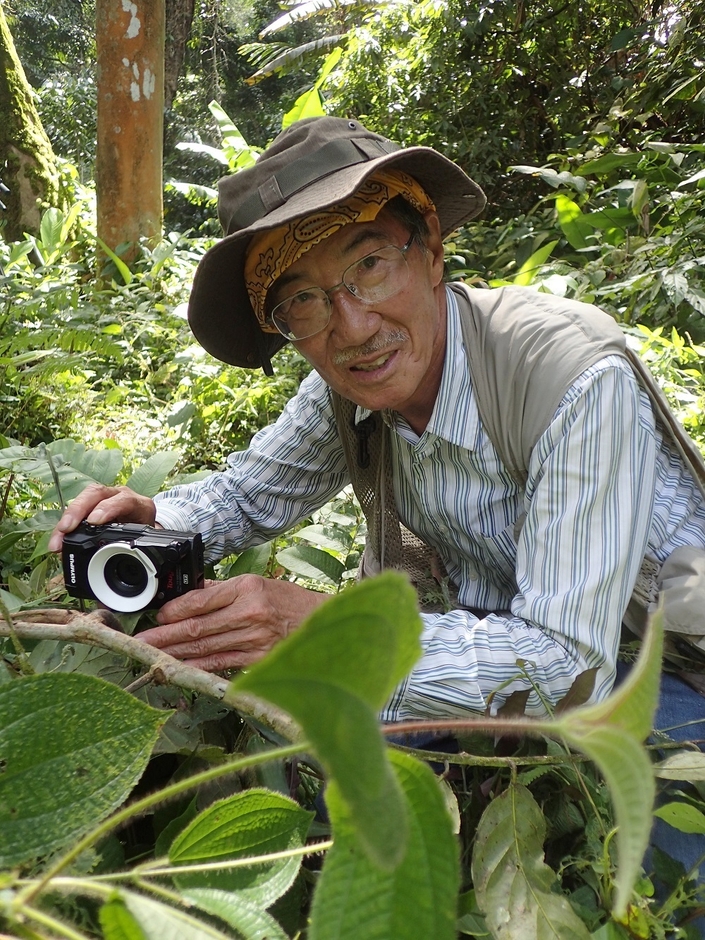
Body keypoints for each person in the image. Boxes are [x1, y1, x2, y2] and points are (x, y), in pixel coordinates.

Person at [48, 117, 705, 727]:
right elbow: (248, 495)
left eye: (368, 265)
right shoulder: (344, 390)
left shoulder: (570, 376)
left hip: (666, 659)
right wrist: (154, 524)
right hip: (501, 634)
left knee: (648, 842)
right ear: (282, 329)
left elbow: (566, 662)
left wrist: (329, 632)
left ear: (430, 251)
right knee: (332, 766)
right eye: (302, 301)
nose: (354, 328)